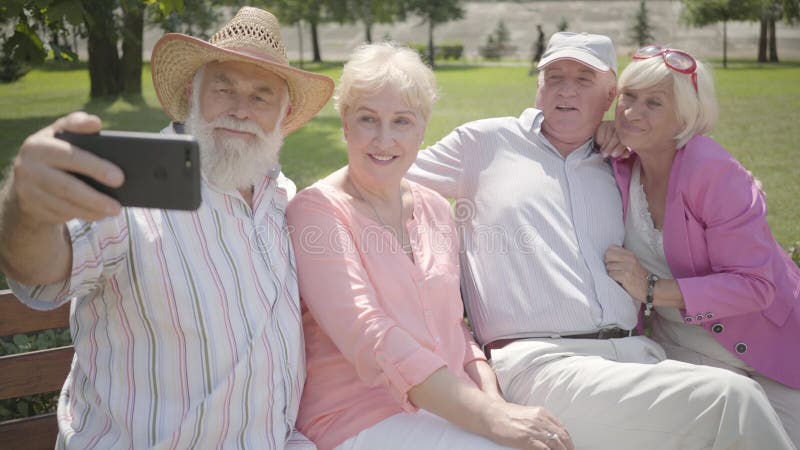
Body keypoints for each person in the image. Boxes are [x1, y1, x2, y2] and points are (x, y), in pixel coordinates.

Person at [406, 31, 795, 449]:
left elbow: (712, 219)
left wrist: (738, 191)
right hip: (542, 360)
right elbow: (379, 179)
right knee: (730, 400)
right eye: (554, 76)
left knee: (748, 410)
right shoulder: (483, 144)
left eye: (584, 80)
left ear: (610, 95)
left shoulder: (620, 160)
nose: (566, 90)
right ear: (538, 87)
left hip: (644, 353)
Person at [0, 7, 333, 449]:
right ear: (193, 94)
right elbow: (42, 270)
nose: (239, 110)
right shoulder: (133, 191)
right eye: (223, 88)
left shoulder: (282, 198)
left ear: (283, 112)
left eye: (260, 97)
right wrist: (25, 208)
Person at [287, 42, 575, 450]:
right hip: (357, 417)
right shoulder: (316, 212)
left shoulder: (436, 209)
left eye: (401, 121)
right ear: (345, 125)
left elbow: (453, 328)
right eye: (368, 119)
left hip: (449, 407)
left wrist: (492, 401)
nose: (384, 139)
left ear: (422, 130)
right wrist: (488, 417)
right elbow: (370, 334)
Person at [604, 44, 800, 447]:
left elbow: (755, 285)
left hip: (767, 345)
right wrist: (597, 127)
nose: (632, 112)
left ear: (686, 115)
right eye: (628, 97)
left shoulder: (713, 172)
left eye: (653, 102)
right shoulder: (619, 163)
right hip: (683, 348)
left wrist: (652, 289)